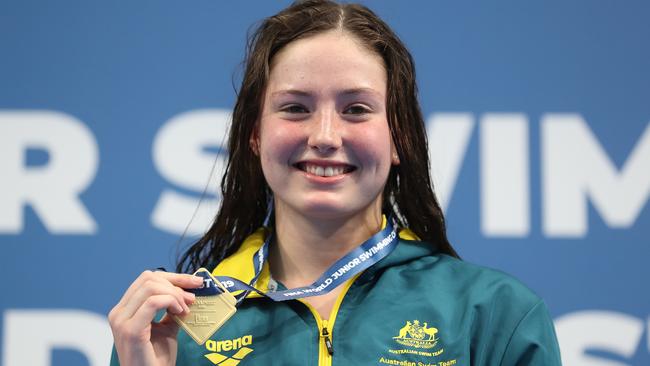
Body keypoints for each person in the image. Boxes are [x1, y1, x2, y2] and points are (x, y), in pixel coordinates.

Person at [109, 1, 562, 365]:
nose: (324, 136)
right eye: (295, 108)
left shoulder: (492, 314)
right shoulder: (176, 325)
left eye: (356, 109)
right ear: (254, 134)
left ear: (400, 137)